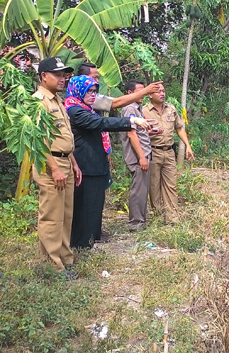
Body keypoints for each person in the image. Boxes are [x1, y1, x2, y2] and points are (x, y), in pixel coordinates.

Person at [65, 75, 150, 249]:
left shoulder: (85, 108)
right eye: (89, 91)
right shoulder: (75, 109)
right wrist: (131, 120)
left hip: (94, 164)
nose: (93, 95)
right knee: (85, 207)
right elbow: (101, 122)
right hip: (85, 165)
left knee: (94, 204)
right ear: (78, 90)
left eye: (95, 91)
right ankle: (81, 244)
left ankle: (91, 239)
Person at [32, 57, 82, 280]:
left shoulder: (58, 101)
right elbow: (38, 139)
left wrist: (73, 163)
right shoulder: (38, 101)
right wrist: (54, 169)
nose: (63, 79)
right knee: (52, 216)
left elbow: (63, 136)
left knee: (66, 214)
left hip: (65, 162)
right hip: (49, 163)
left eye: (64, 75)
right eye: (58, 74)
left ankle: (65, 258)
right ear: (44, 76)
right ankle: (52, 266)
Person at [142, 83, 194, 224]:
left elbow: (179, 128)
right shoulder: (144, 111)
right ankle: (158, 216)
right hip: (153, 152)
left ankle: (172, 218)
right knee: (154, 186)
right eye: (158, 91)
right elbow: (137, 132)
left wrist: (188, 146)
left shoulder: (171, 109)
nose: (162, 94)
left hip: (169, 152)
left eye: (164, 91)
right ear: (150, 95)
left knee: (171, 185)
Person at [120, 79, 163, 231]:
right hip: (138, 157)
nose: (143, 94)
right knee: (138, 190)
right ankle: (136, 223)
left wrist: (151, 131)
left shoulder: (137, 108)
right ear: (129, 93)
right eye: (140, 91)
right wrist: (142, 157)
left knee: (142, 189)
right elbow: (132, 135)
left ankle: (140, 220)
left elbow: (138, 131)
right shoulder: (130, 109)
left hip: (143, 155)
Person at [77, 62, 163, 112]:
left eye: (97, 78)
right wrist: (145, 91)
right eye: (94, 78)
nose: (97, 81)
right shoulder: (85, 97)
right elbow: (115, 103)